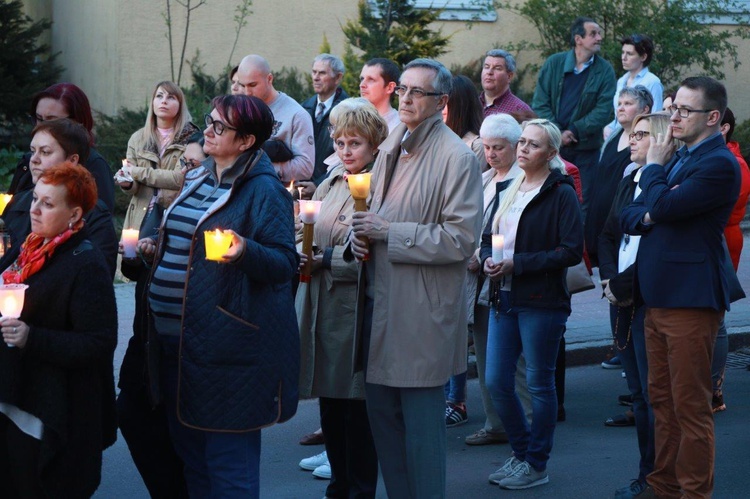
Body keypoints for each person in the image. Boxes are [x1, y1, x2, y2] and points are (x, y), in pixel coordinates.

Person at [147, 95, 299, 497]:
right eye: (208, 124)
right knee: (193, 459)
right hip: (175, 343)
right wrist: (152, 250)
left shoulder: (266, 192)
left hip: (224, 346)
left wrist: (244, 249)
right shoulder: (200, 176)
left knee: (229, 466)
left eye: (219, 128)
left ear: (246, 141)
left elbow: (286, 262)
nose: (207, 133)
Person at [349, 59, 482, 498]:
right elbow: (379, 213)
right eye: (403, 89)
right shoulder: (393, 140)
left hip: (421, 311)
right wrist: (362, 236)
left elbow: (461, 240)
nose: (405, 98)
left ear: (441, 102)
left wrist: (389, 232)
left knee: (421, 434)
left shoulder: (456, 157)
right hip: (379, 303)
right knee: (382, 420)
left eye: (417, 92)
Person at [620, 76, 740, 498]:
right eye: (674, 109)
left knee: (690, 408)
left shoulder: (717, 163)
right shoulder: (678, 156)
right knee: (662, 405)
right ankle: (663, 486)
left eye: (684, 111)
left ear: (712, 117)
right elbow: (632, 212)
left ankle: (693, 493)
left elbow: (663, 203)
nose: (674, 117)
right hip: (657, 298)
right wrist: (656, 206)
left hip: (690, 300)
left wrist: (653, 170)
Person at [0, 162, 118, 498]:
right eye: (36, 199)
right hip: (15, 396)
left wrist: (31, 338)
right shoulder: (29, 248)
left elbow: (98, 342)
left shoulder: (85, 263)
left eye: (48, 204)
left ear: (74, 213)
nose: (34, 210)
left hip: (48, 411)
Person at [482, 119, 583, 490]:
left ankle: (536, 463)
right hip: (503, 296)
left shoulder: (561, 192)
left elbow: (571, 250)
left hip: (542, 301)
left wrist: (517, 264)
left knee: (540, 385)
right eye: (522, 142)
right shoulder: (509, 186)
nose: (523, 149)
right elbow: (488, 235)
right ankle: (522, 453)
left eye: (533, 145)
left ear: (551, 154)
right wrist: (487, 258)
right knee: (496, 381)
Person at [296, 99, 387, 498]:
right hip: (322, 307)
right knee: (331, 406)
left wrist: (325, 258)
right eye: (340, 142)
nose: (346, 151)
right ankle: (339, 485)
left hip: (354, 311)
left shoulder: (379, 188)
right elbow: (306, 230)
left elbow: (367, 257)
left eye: (355, 143)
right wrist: (302, 249)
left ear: (373, 146)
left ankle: (359, 488)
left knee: (356, 410)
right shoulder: (330, 183)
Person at [116, 132, 206, 498]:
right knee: (134, 417)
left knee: (174, 438)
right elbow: (138, 271)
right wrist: (142, 253)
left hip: (178, 344)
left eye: (196, 166)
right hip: (146, 340)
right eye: (185, 164)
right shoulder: (161, 203)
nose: (187, 173)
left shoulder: (206, 209)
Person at [599, 112, 681, 498]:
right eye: (633, 134)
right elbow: (608, 232)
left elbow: (657, 244)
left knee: (655, 396)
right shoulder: (628, 177)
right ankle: (647, 473)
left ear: (663, 142)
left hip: (647, 299)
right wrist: (610, 279)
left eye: (643, 135)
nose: (632, 140)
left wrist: (624, 283)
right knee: (638, 394)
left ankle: (658, 477)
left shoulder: (668, 182)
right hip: (621, 296)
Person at [464, 113, 523, 445]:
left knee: (517, 363)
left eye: (498, 147)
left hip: (508, 279)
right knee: (486, 358)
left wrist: (480, 255)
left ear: (515, 146)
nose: (491, 154)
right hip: (481, 282)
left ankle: (523, 425)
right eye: (486, 147)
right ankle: (495, 423)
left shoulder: (523, 180)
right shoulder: (485, 179)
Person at [0, 119, 118, 279]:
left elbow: (98, 278)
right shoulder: (19, 202)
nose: (33, 159)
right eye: (32, 150)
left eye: (45, 152)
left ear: (72, 160)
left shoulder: (94, 215)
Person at [532, 16, 616, 211]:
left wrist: (575, 131)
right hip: (552, 148)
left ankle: (578, 242)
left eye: (599, 33)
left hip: (586, 151)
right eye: (593, 34)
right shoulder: (555, 63)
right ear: (579, 39)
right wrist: (557, 133)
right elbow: (540, 102)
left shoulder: (604, 71)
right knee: (547, 197)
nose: (599, 38)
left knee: (582, 201)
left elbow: (604, 110)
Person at [9, 82, 115, 212]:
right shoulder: (28, 160)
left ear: (76, 122)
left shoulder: (94, 164)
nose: (41, 126)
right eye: (38, 118)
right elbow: (9, 214)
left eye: (52, 120)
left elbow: (99, 220)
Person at [116, 81, 200, 232]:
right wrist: (126, 183)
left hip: (173, 214)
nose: (164, 101)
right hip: (138, 216)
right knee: (132, 254)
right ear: (153, 102)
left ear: (180, 105)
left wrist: (135, 172)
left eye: (171, 97)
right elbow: (134, 187)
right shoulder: (138, 138)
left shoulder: (191, 139)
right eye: (159, 96)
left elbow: (179, 179)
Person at [585, 85, 653, 267]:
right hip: (600, 217)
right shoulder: (613, 136)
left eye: (628, 103)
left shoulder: (645, 144)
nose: (620, 108)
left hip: (622, 218)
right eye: (620, 103)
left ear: (645, 109)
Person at [710, 107, 750, 413]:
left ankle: (715, 389)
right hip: (717, 236)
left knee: (716, 314)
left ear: (722, 128)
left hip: (724, 238)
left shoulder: (734, 162)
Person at [236, 54, 315, 182]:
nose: (247, 92)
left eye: (252, 85)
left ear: (269, 79)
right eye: (242, 85)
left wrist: (257, 169)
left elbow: (305, 167)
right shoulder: (240, 110)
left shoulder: (296, 115)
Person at [603, 34, 663, 140]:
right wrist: (610, 127)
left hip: (637, 139)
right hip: (617, 137)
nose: (623, 57)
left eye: (629, 54)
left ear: (643, 57)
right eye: (623, 52)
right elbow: (621, 114)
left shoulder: (652, 82)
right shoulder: (622, 81)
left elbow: (655, 119)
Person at [301, 53, 349, 184]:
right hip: (301, 185)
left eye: (322, 73)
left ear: (338, 77)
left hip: (332, 185)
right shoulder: (303, 108)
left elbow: (346, 157)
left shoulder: (348, 112)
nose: (316, 78)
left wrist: (318, 185)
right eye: (314, 72)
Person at [443, 74, 486, 168]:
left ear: (460, 107)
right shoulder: (437, 138)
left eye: (446, 103)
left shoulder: (477, 146)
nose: (440, 108)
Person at [480, 49, 533, 118]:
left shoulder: (520, 110)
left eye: (497, 68)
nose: (489, 72)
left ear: (509, 76)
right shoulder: (471, 104)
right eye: (486, 67)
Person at [359, 58, 401, 132]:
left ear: (390, 87)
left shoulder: (399, 127)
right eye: (362, 79)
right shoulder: (354, 121)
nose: (362, 85)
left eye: (371, 79)